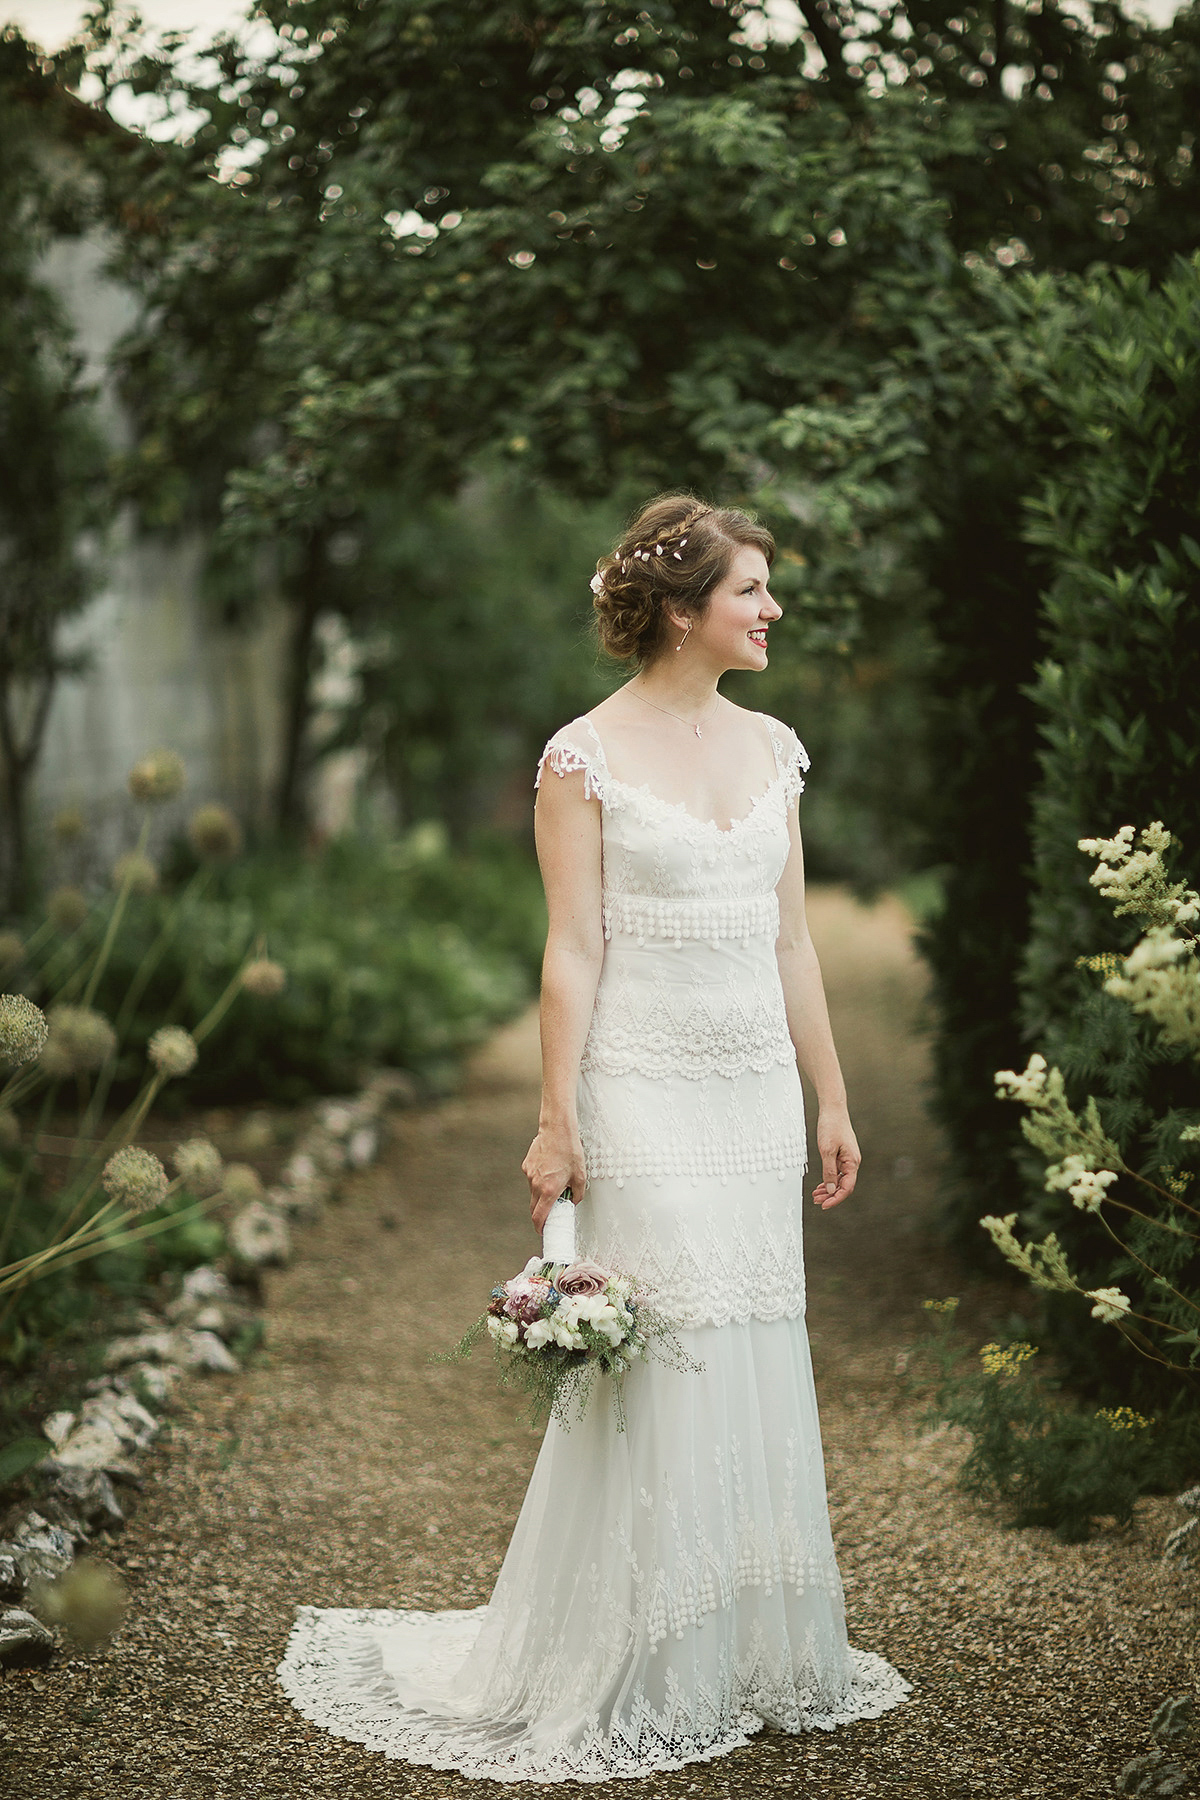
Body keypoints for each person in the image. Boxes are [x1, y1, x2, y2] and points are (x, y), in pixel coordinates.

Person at [277, 493, 910, 1780]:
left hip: (749, 1100)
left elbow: (792, 944)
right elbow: (572, 949)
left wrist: (832, 1097)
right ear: (682, 611)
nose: (772, 609)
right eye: (752, 591)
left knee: (750, 1340)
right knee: (663, 1349)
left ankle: (745, 1646)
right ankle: (634, 1657)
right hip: (642, 1088)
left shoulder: (778, 749)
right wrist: (557, 1119)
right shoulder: (582, 760)